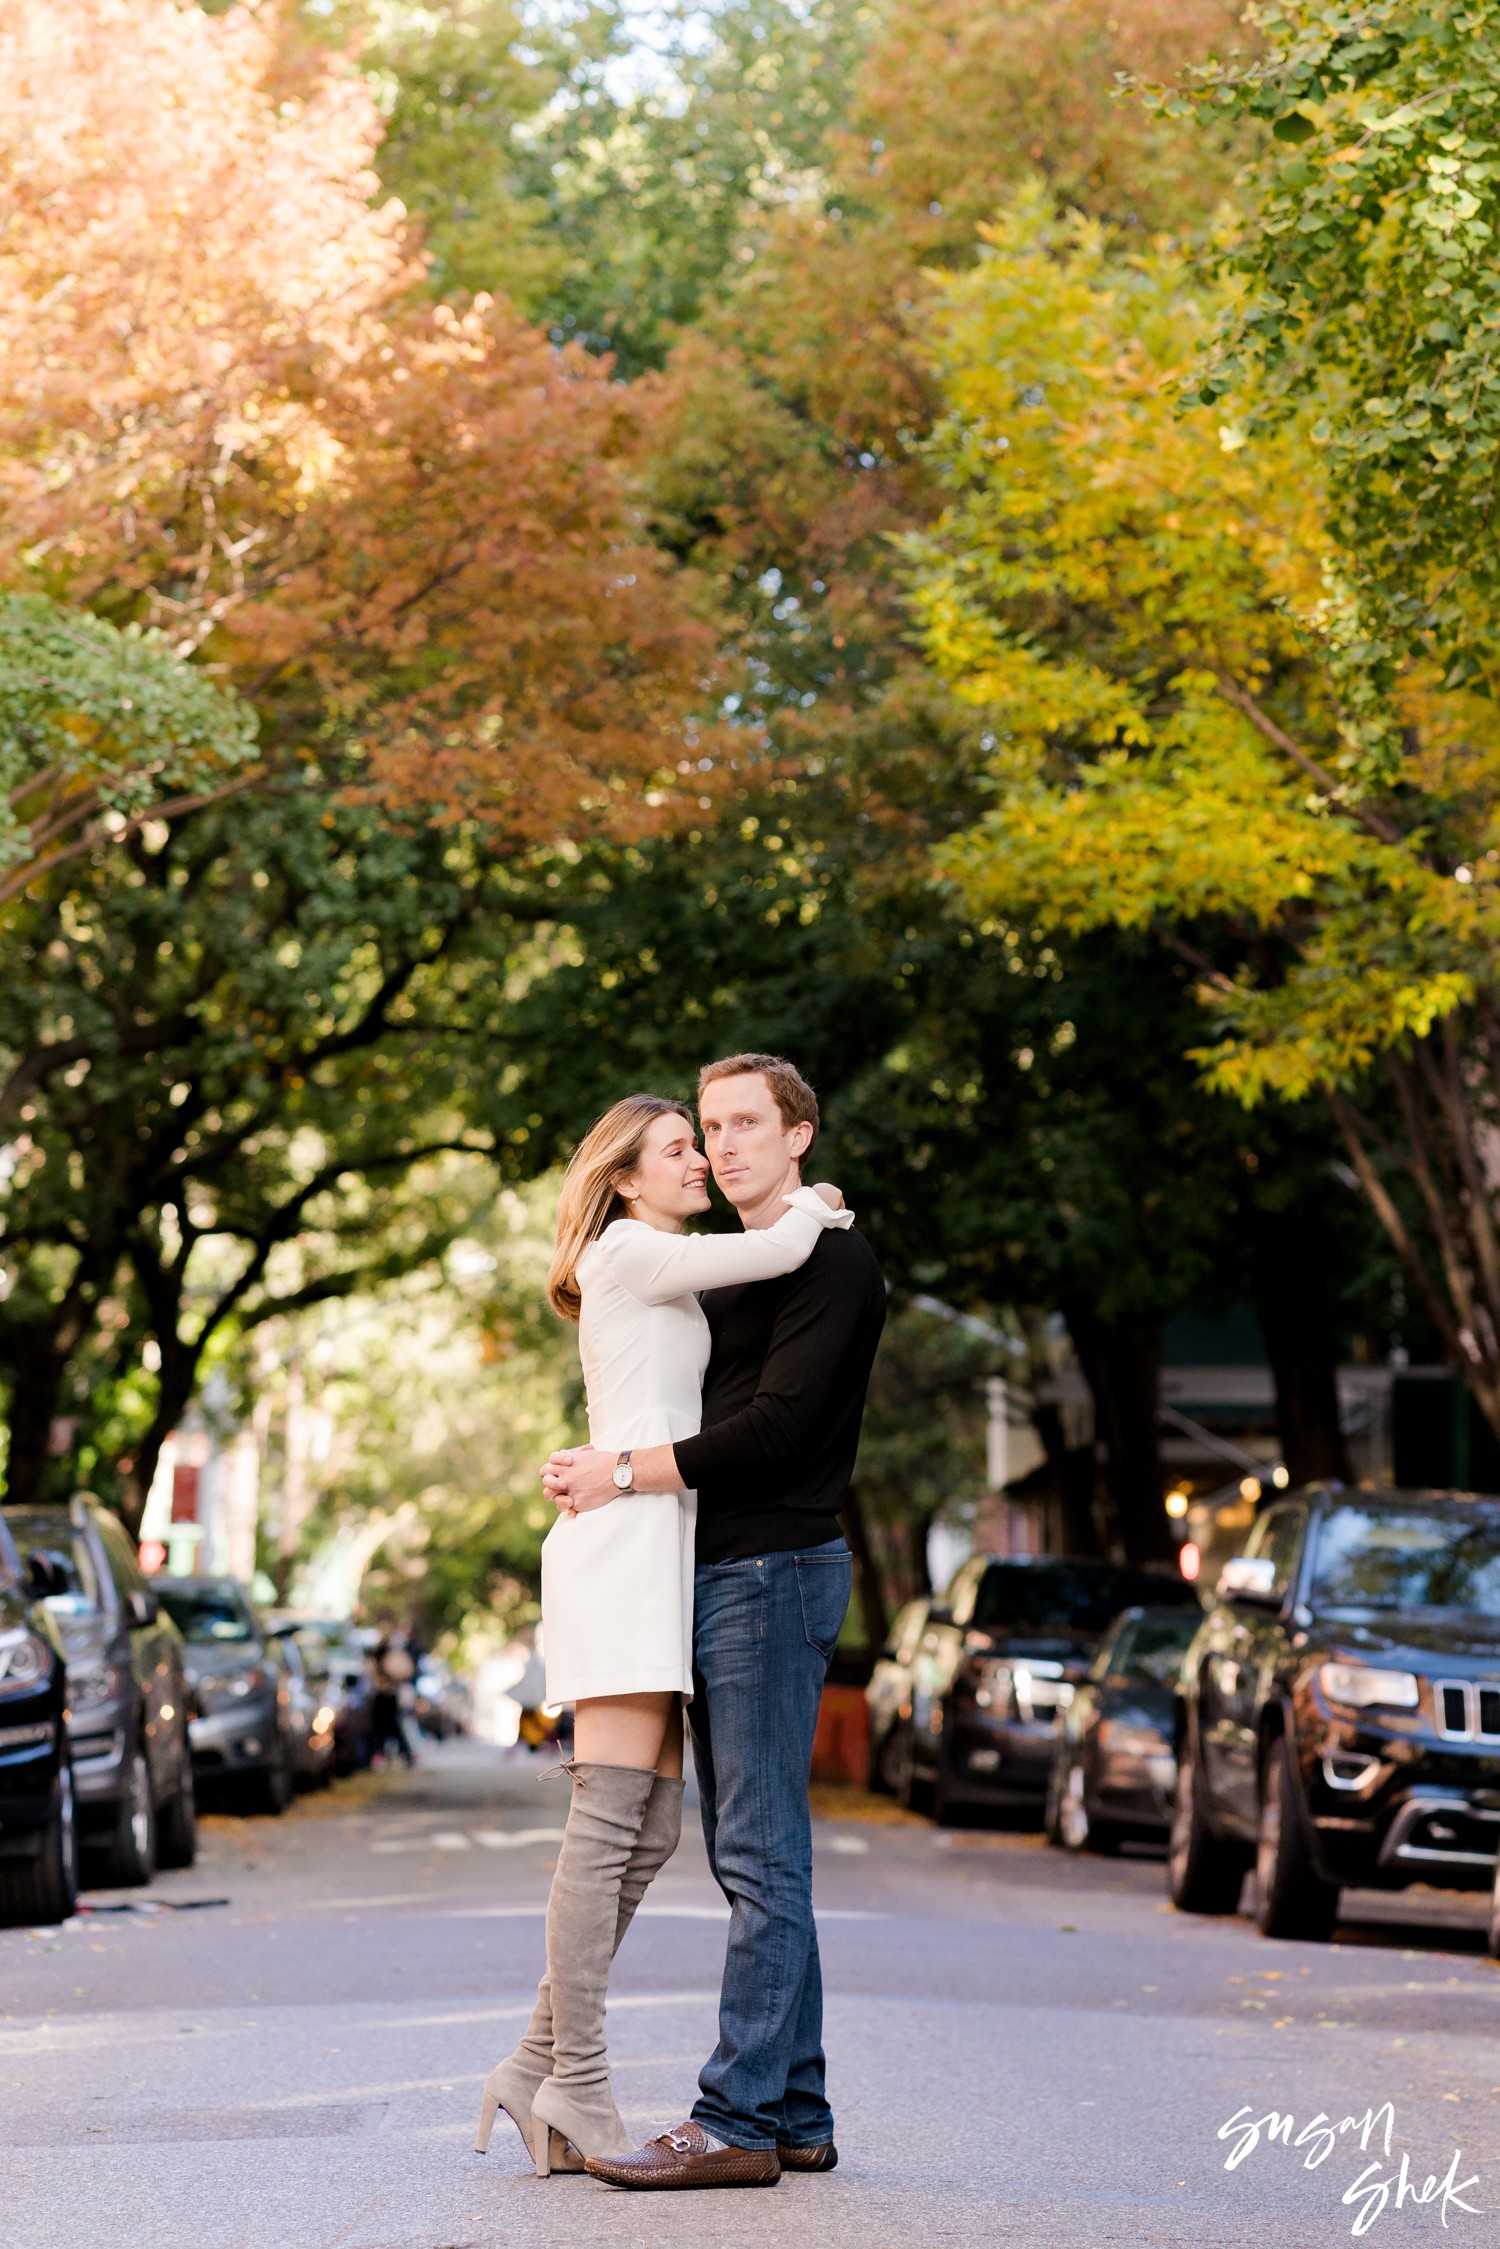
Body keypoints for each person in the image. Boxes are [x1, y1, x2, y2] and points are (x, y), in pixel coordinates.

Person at [474, 1091, 852, 2176]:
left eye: (711, 1137)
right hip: (627, 1550)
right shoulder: (633, 1248)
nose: (701, 1157)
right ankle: (575, 2083)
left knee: (647, 1835)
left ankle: (533, 2060)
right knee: (607, 1828)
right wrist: (820, 1198)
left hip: (658, 1548)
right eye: (681, 1146)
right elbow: (779, 1242)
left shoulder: (650, 1257)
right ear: (628, 1176)